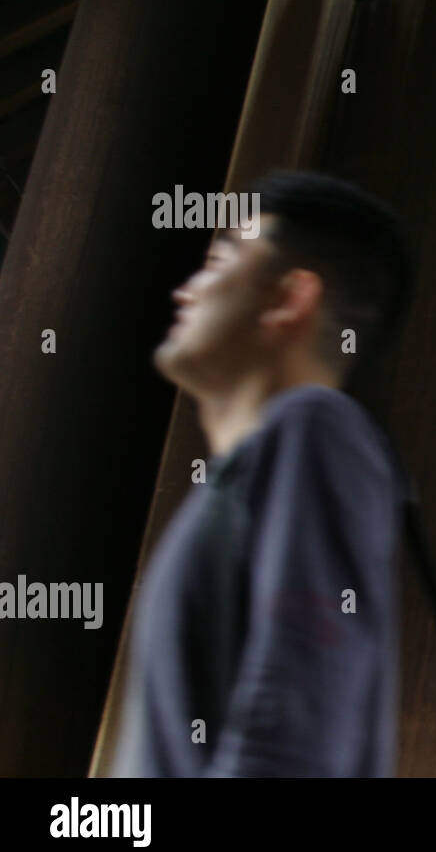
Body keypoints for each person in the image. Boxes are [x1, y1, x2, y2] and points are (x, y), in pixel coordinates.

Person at [108, 170, 413, 776]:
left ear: (288, 299)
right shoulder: (252, 472)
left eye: (220, 261)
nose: (186, 292)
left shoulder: (314, 425)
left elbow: (294, 712)